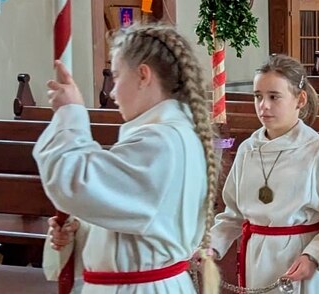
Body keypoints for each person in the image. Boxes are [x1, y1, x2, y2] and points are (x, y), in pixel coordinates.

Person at [35, 25, 218, 292]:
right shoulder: (172, 134)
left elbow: (72, 180)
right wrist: (81, 229)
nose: (112, 91)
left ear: (143, 75)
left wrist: (70, 114)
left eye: (117, 76)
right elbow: (140, 227)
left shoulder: (161, 143)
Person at [209, 55, 319, 292]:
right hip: (256, 258)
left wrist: (314, 256)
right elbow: (233, 214)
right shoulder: (248, 150)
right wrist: (211, 247)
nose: (263, 105)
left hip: (299, 263)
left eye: (274, 97)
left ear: (300, 99)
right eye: (258, 96)